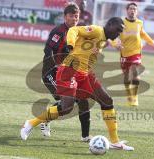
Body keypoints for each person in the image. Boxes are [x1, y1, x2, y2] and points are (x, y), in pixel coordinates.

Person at [21, 17, 134, 151]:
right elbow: (74, 30)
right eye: (117, 30)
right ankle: (30, 123)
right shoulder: (97, 30)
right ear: (109, 25)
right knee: (66, 108)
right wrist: (70, 44)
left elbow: (97, 45)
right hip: (69, 70)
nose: (118, 33)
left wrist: (117, 44)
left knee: (107, 101)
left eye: (120, 32)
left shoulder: (104, 38)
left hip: (84, 74)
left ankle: (115, 142)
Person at [40, 3, 92, 142]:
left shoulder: (79, 32)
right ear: (65, 16)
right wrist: (56, 66)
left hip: (69, 73)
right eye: (71, 16)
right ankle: (44, 120)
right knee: (64, 101)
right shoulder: (59, 31)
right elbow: (48, 50)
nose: (74, 19)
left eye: (76, 16)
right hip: (51, 71)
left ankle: (85, 136)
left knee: (81, 99)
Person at [110, 2, 154, 106]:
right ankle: (129, 95)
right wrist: (115, 44)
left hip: (136, 53)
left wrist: (152, 42)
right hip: (124, 53)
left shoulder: (139, 23)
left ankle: (135, 97)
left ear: (137, 11)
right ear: (127, 10)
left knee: (135, 73)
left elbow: (143, 34)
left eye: (134, 9)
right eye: (130, 9)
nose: (132, 11)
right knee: (127, 77)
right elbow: (112, 35)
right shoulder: (121, 23)